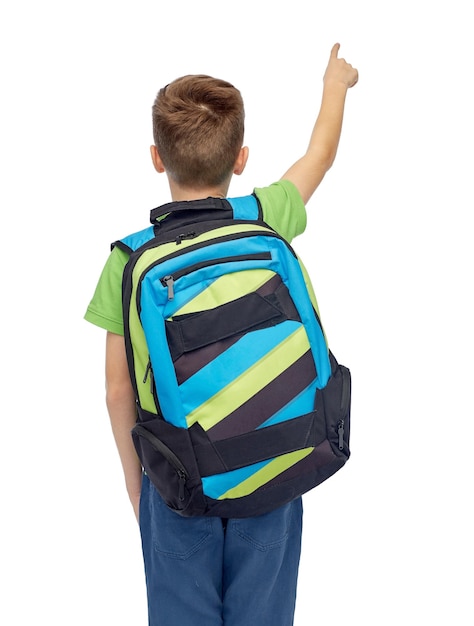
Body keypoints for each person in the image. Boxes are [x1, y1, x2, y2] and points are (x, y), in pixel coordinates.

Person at [84, 43, 358, 626]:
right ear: (242, 159)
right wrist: (335, 84)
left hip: (179, 484)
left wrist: (141, 499)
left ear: (157, 158)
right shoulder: (265, 217)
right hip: (275, 463)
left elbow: (116, 394)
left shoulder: (129, 260)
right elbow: (321, 155)